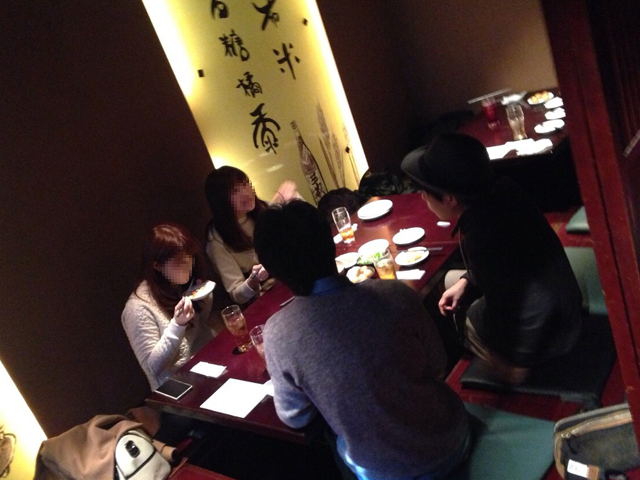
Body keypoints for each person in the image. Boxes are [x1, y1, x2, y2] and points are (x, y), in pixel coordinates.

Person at [254, 200, 470, 480]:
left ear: (273, 271)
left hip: (386, 474)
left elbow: (294, 416)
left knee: (332, 447)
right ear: (331, 245)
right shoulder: (397, 294)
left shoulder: (276, 334)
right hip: (452, 441)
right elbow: (439, 364)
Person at [402, 133, 583, 385]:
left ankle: (447, 375)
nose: (422, 197)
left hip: (547, 340)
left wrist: (513, 363)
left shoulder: (481, 235)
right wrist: (467, 280)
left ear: (450, 198)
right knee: (452, 280)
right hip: (568, 312)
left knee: (450, 311)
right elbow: (511, 263)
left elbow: (516, 308)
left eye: (425, 191)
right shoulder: (505, 191)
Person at [122, 223, 218, 390]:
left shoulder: (180, 284)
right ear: (157, 266)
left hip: (207, 364)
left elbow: (200, 325)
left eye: (189, 258)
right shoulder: (138, 308)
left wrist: (204, 298)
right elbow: (153, 368)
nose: (188, 266)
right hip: (179, 387)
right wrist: (177, 325)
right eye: (179, 261)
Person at [205, 166, 299, 304]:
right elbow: (237, 295)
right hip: (265, 300)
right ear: (220, 201)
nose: (246, 192)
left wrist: (288, 205)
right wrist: (253, 280)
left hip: (292, 281)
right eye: (235, 191)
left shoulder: (262, 208)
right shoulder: (217, 240)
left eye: (246, 184)